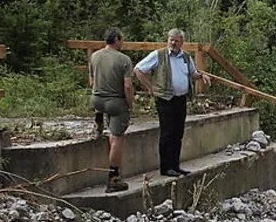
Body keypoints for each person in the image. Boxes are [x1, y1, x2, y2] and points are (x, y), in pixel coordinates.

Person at [133, 28, 211, 177]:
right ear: (168, 40)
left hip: (180, 98)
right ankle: (166, 167)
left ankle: (175, 165)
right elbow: (138, 69)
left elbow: (192, 73)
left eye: (177, 40)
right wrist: (151, 88)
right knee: (167, 133)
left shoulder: (186, 57)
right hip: (165, 99)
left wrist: (202, 76)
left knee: (178, 133)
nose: (173, 43)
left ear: (182, 42)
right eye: (171, 40)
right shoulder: (159, 55)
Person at [89, 28, 135, 193]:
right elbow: (127, 86)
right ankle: (113, 178)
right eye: (121, 39)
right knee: (116, 139)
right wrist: (130, 104)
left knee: (101, 106)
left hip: (97, 100)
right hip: (115, 102)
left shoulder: (94, 56)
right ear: (116, 39)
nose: (122, 42)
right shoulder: (124, 59)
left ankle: (99, 122)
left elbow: (92, 80)